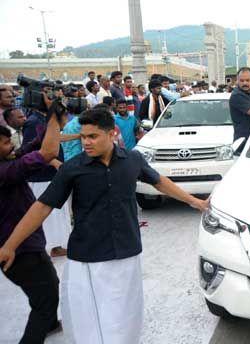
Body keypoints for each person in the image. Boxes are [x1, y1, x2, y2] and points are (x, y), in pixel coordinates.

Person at [0, 108, 209, 344]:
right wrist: (10, 245)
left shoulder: (133, 159)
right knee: (91, 323)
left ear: (112, 134)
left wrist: (195, 201)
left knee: (125, 316)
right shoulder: (73, 168)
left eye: (93, 136)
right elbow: (42, 207)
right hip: (89, 260)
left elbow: (159, 182)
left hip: (127, 253)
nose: (86, 142)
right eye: (83, 136)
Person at [0, 100, 64, 343]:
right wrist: (53, 116)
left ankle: (48, 324)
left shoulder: (7, 162)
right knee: (45, 301)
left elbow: (36, 146)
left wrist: (51, 118)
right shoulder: (4, 171)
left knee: (48, 287)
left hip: (27, 246)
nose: (11, 147)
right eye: (6, 143)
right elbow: (47, 153)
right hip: (18, 250)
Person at [23, 102, 70, 258]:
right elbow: (33, 149)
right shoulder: (33, 122)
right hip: (41, 176)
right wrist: (55, 162)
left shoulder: (45, 120)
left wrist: (79, 136)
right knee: (45, 213)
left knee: (56, 213)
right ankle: (46, 248)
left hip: (52, 175)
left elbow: (56, 138)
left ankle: (55, 246)